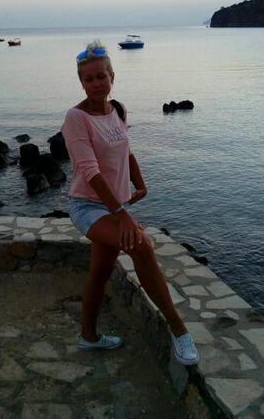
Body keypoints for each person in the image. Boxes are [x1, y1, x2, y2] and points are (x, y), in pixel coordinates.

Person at [61, 40, 199, 365]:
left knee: (100, 272)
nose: (96, 83)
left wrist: (140, 183)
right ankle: (179, 330)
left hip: (113, 205)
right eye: (89, 79)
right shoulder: (76, 118)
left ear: (112, 76)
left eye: (101, 76)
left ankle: (88, 337)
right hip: (88, 207)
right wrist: (121, 213)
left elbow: (126, 150)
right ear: (81, 82)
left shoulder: (118, 109)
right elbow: (90, 171)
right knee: (142, 246)